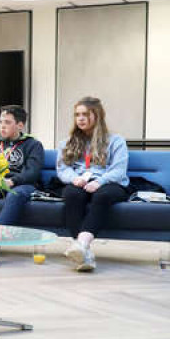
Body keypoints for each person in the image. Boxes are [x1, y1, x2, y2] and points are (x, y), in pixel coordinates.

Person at [56, 97, 129, 272]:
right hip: (80, 182)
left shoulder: (116, 141)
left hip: (110, 183)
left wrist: (99, 182)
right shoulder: (66, 143)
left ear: (97, 116)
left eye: (85, 114)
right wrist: (74, 178)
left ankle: (81, 245)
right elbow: (63, 169)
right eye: (77, 115)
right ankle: (83, 252)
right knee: (72, 194)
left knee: (102, 195)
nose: (80, 118)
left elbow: (118, 171)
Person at [0, 105, 45, 267]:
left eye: (7, 122)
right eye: (0, 122)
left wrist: (12, 181)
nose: (1, 126)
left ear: (20, 125)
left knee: (15, 195)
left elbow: (32, 172)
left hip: (23, 185)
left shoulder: (33, 145)